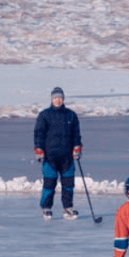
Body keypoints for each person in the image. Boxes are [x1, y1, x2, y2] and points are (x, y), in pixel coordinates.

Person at [33, 86, 82, 220]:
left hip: (67, 157)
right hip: (50, 157)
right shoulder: (44, 115)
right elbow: (39, 134)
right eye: (55, 98)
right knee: (49, 183)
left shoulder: (71, 115)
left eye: (59, 98)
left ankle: (68, 208)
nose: (57, 100)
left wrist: (77, 147)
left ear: (63, 99)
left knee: (68, 184)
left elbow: (76, 134)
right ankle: (46, 208)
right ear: (51, 99)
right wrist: (39, 150)